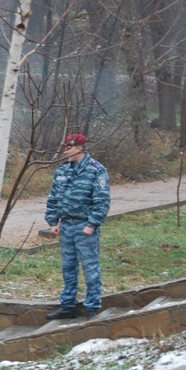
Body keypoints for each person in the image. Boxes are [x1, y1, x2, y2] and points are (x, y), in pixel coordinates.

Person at [44, 133, 111, 320]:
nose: (65, 152)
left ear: (80, 148)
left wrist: (92, 224)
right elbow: (54, 197)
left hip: (84, 227)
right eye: (65, 148)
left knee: (90, 268)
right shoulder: (63, 171)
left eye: (69, 148)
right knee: (68, 268)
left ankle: (92, 307)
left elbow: (102, 201)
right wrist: (53, 222)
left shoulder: (96, 170)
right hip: (66, 227)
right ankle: (68, 306)